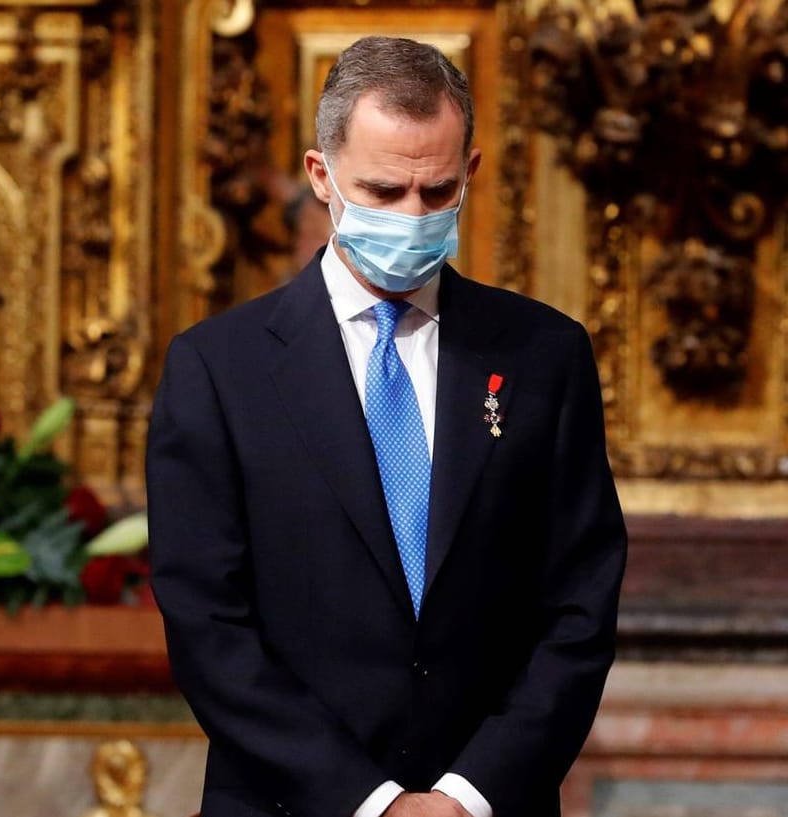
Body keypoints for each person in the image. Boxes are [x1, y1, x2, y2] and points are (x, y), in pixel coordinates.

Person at [147, 37, 626, 817]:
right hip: (290, 803)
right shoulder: (217, 370)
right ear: (320, 177)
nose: (412, 216)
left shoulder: (546, 356)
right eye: (381, 191)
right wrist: (372, 803)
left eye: (436, 192)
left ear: (469, 174)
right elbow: (209, 627)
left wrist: (466, 796)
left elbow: (579, 606)